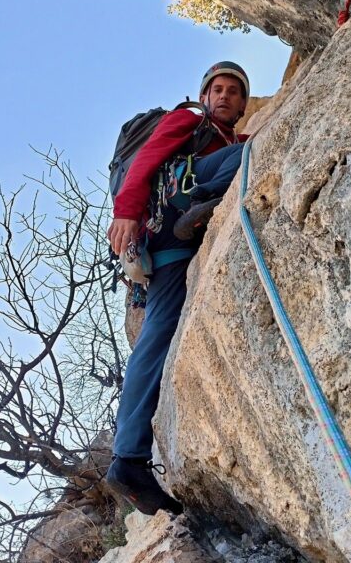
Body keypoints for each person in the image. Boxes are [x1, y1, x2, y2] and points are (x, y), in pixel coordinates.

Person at [104, 62, 250, 516]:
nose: (224, 97)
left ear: (244, 105)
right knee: (256, 154)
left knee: (157, 335)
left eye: (233, 92)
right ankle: (200, 209)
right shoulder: (189, 120)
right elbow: (147, 161)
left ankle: (127, 459)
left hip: (170, 253)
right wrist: (125, 212)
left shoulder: (232, 139)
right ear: (204, 96)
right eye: (217, 90)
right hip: (169, 209)